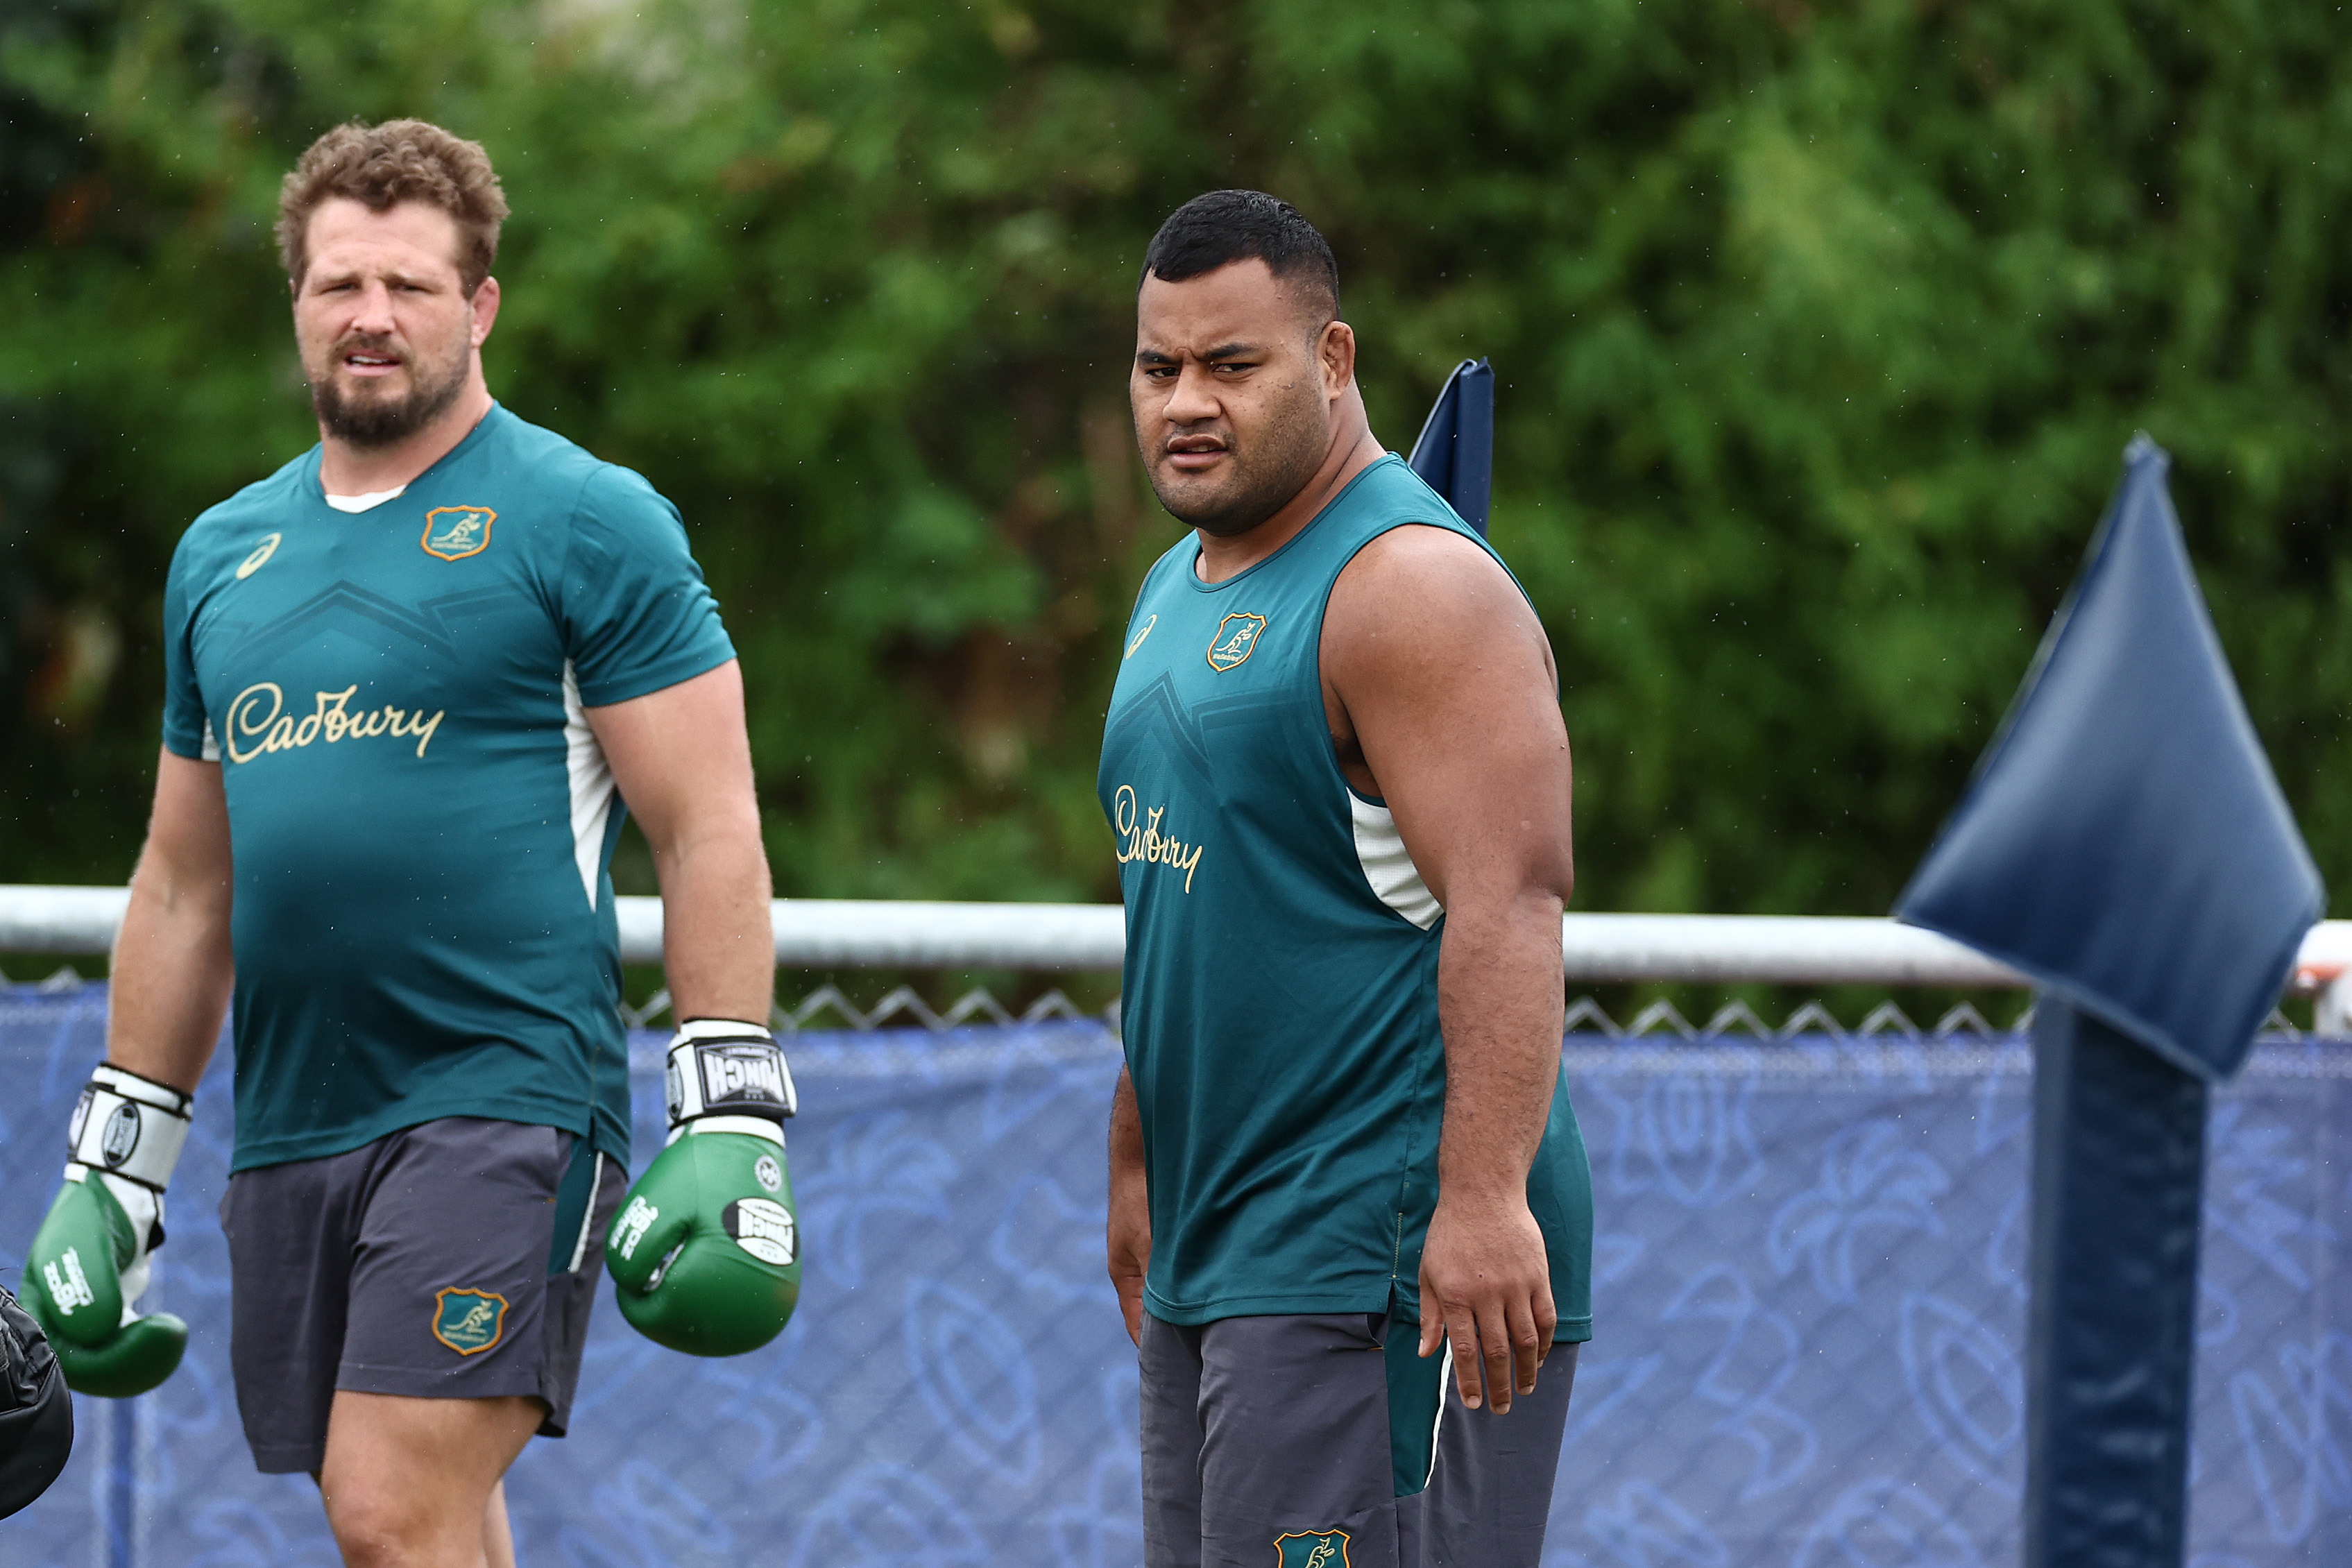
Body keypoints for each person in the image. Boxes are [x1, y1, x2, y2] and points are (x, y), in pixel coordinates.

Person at [15, 120, 792, 1568]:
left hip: (501, 1096)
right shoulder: (219, 555)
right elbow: (186, 886)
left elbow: (710, 826)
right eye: (338, 284)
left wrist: (733, 1111)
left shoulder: (589, 519)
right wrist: (115, 1171)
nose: (371, 315)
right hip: (297, 1121)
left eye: (411, 286)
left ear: (480, 305)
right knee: (420, 1519)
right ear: (298, 304)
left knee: (387, 1498)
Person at [1100, 189, 1594, 1568]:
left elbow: (1512, 902)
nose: (1187, 402)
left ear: (1332, 361)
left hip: (1376, 1258)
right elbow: (1188, 898)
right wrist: (1140, 1157)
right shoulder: (1173, 587)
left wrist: (1485, 1197)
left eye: (1232, 366)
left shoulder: (1413, 587)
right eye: (1159, 368)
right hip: (1222, 1239)